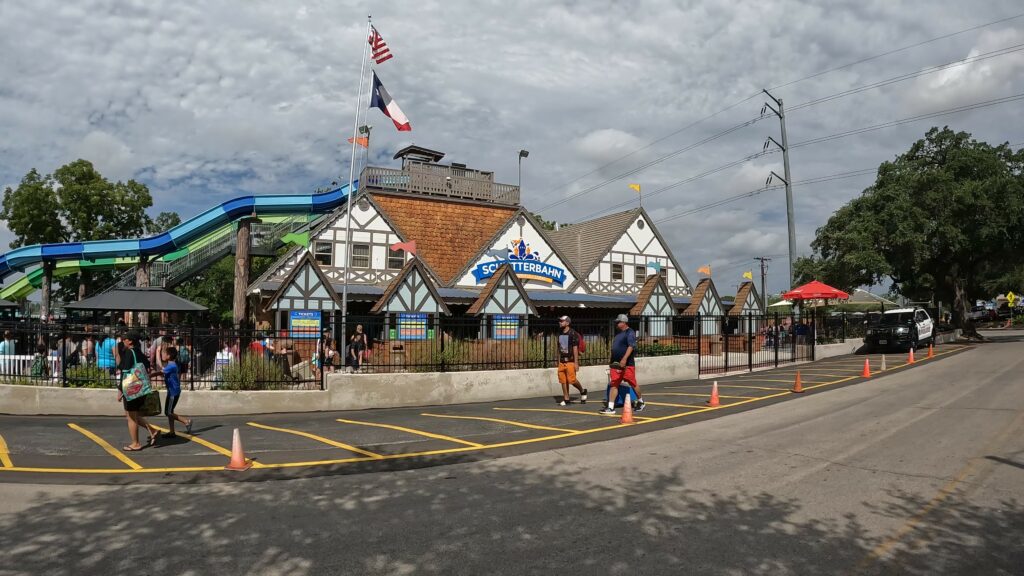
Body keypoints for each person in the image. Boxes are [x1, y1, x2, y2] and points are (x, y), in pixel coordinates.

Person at [114, 332, 159, 451]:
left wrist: (120, 390)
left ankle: (136, 443)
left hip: (131, 388)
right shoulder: (139, 353)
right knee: (132, 414)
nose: (122, 341)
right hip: (141, 388)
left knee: (131, 417)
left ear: (130, 341)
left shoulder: (129, 352)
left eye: (124, 339)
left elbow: (125, 372)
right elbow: (147, 365)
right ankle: (153, 430)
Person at [601, 314, 645, 414]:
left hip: (627, 364)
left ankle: (641, 402)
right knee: (614, 384)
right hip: (616, 364)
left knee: (632, 383)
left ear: (623, 322)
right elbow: (615, 349)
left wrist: (624, 359)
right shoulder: (618, 334)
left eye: (618, 322)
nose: (616, 324)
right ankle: (610, 407)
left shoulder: (630, 332)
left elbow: (631, 346)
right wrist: (611, 361)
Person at [154, 347, 192, 438]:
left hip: (173, 393)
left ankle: (186, 421)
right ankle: (172, 432)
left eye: (164, 353)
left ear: (169, 356)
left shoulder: (171, 366)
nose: (163, 355)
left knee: (168, 412)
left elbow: (160, 373)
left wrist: (149, 375)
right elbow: (162, 369)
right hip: (171, 391)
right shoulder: (170, 365)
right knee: (170, 411)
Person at [555, 315, 587, 406]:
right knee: (563, 380)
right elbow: (559, 347)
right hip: (562, 361)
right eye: (560, 321)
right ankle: (566, 398)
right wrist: (558, 360)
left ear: (567, 323)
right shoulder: (560, 333)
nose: (560, 322)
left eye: (562, 321)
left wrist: (576, 363)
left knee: (572, 380)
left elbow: (575, 349)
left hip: (570, 361)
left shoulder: (573, 333)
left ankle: (582, 391)